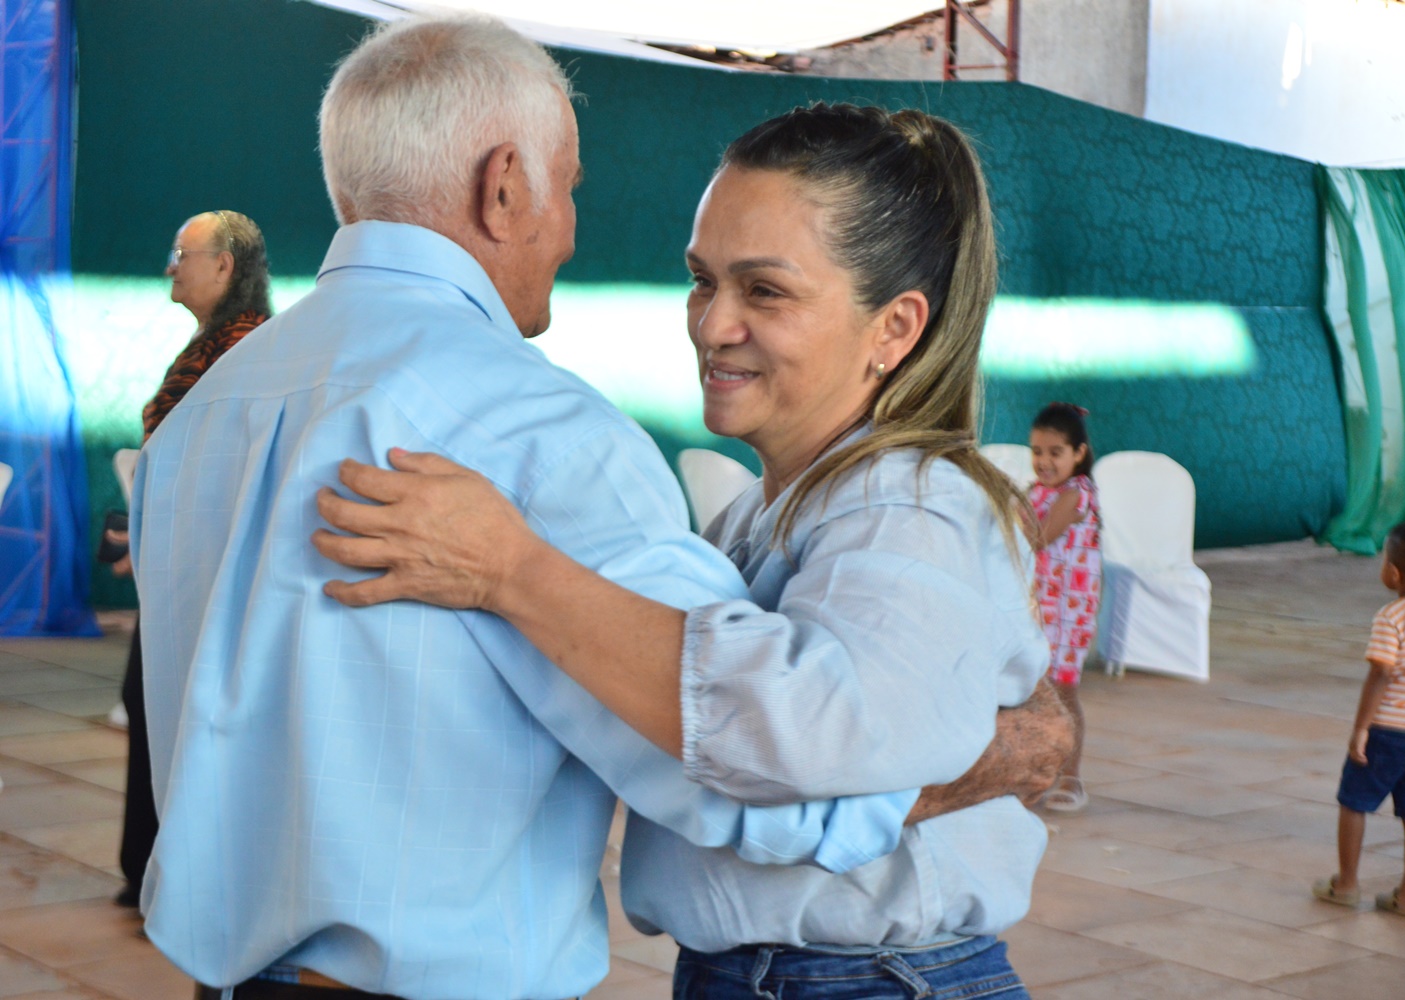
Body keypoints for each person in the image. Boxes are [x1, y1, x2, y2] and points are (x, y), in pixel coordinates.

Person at [133, 18, 1066, 1000]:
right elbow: (739, 775)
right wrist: (998, 754)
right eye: (704, 280)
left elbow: (745, 738)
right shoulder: (541, 428)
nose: (710, 323)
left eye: (762, 289)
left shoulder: (203, 413)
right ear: (505, 185)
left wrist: (520, 573)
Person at [109, 209, 271, 911]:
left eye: (183, 253)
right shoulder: (214, 346)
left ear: (226, 266)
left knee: (181, 719)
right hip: (180, 564)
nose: (171, 266)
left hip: (208, 577)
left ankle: (181, 883)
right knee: (147, 707)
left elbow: (225, 472)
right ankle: (151, 874)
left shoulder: (250, 351)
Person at [1312, 520, 1405, 919]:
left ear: (1394, 573)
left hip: (1389, 730)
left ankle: (1346, 884)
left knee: (1354, 802)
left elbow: (1380, 673)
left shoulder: (1392, 616)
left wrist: (1361, 728)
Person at [1026, 402, 1100, 813]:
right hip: (1039, 608)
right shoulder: (1037, 491)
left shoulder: (1076, 495)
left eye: (1055, 452)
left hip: (1069, 613)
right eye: (1037, 451)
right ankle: (1036, 772)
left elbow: (1038, 536)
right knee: (1034, 692)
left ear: (1079, 454)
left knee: (1064, 692)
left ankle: (1071, 778)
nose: (1044, 461)